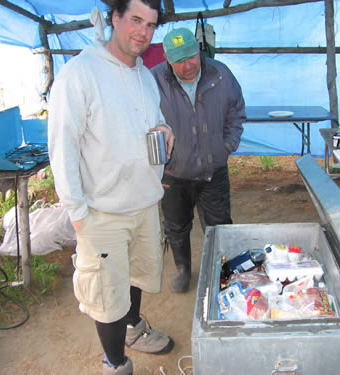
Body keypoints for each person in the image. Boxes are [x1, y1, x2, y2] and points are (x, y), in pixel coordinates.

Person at [48, 1, 175, 374]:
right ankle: (115, 363)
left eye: (151, 25)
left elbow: (156, 120)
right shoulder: (80, 74)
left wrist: (165, 130)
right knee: (107, 295)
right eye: (136, 20)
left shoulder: (144, 75)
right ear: (115, 18)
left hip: (144, 203)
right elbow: (62, 146)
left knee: (133, 276)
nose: (143, 32)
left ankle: (134, 329)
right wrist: (77, 213)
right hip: (101, 212)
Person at [151, 28, 246, 293]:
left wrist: (225, 147)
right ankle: (183, 268)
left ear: (199, 50)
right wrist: (161, 158)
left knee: (218, 224)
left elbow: (237, 112)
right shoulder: (153, 80)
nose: (188, 65)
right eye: (180, 60)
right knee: (176, 226)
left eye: (192, 56)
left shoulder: (220, 74)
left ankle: (222, 268)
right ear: (168, 60)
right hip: (173, 173)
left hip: (212, 170)